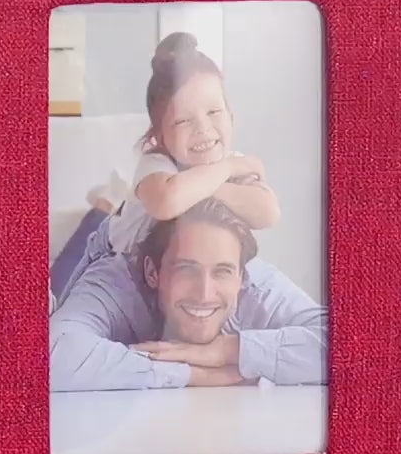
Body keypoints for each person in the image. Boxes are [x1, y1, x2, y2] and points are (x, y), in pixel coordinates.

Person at [54, 32, 281, 305]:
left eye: (214, 112)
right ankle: (106, 205)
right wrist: (230, 169)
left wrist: (211, 182)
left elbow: (268, 213)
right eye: (183, 120)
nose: (203, 128)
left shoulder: (226, 164)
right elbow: (167, 202)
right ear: (159, 136)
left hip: (167, 279)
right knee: (62, 308)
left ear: (231, 116)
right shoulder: (157, 163)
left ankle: (110, 200)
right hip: (114, 262)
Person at [50, 199, 326, 391]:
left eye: (222, 271)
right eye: (186, 269)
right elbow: (52, 356)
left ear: (241, 275)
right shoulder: (114, 280)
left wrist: (229, 350)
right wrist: (192, 374)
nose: (204, 294)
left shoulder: (258, 286)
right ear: (152, 272)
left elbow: (344, 345)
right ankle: (102, 210)